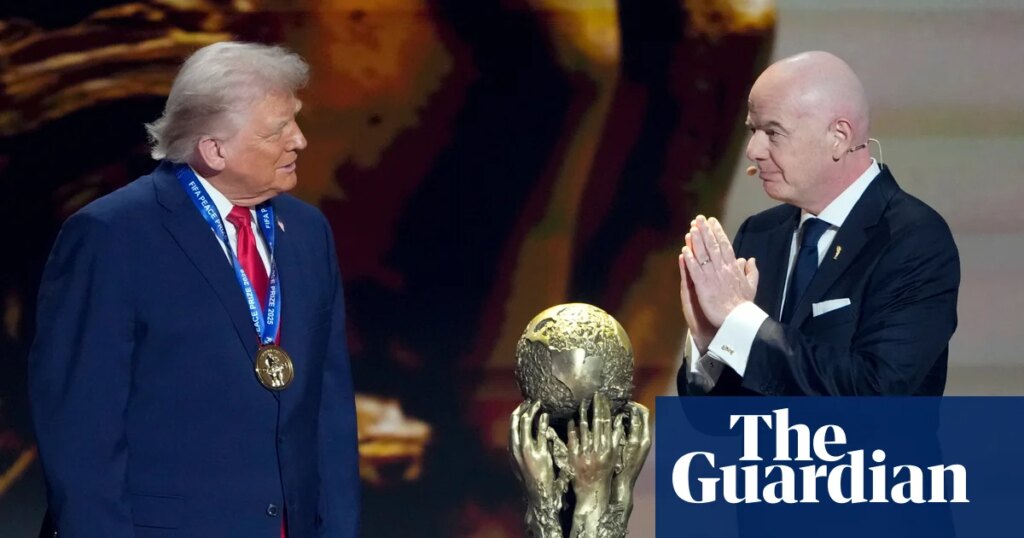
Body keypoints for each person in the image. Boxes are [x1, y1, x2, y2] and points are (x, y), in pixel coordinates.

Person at [28, 42, 359, 537]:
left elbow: (329, 412)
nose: (300, 140)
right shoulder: (112, 235)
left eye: (295, 120)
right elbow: (81, 431)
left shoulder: (308, 232)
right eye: (278, 129)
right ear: (214, 149)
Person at [676, 51, 960, 396]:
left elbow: (876, 393)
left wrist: (739, 320)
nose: (753, 150)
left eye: (773, 132)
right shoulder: (760, 234)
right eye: (753, 129)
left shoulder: (913, 238)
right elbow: (716, 416)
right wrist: (710, 339)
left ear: (838, 136)